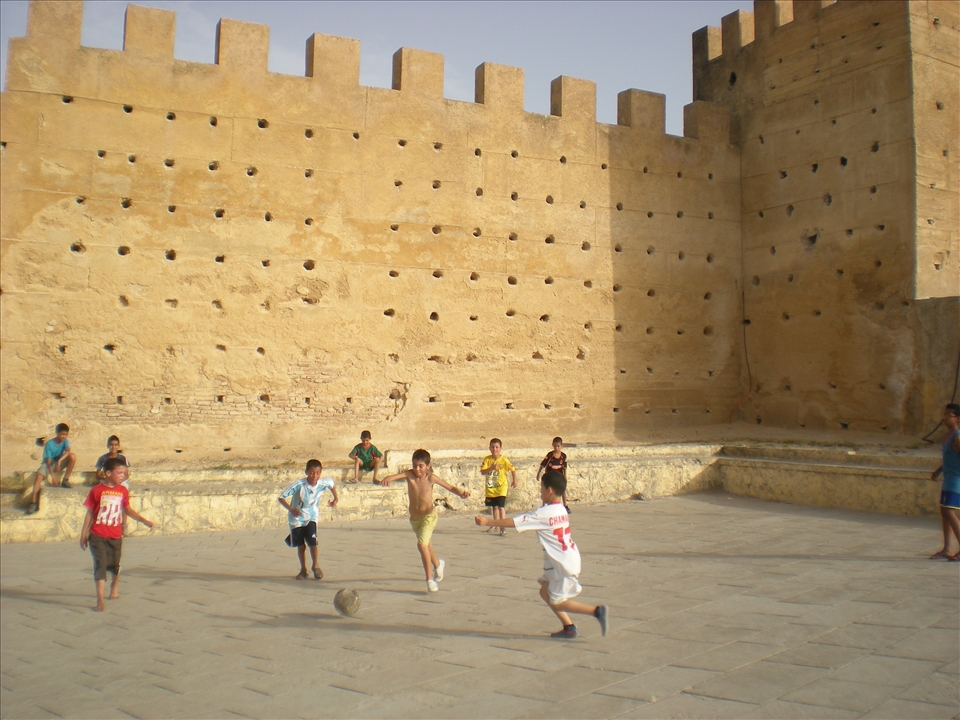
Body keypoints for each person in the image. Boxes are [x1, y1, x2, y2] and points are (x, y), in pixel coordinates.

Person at [476, 470, 608, 639]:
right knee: (545, 592)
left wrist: (488, 522)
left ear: (550, 490)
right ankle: (569, 627)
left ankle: (596, 612)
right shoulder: (561, 509)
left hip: (563, 564)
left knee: (557, 602)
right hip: (563, 559)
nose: (540, 492)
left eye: (542, 488)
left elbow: (515, 522)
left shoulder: (543, 514)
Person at [379, 449, 470, 593]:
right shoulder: (409, 475)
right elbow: (394, 476)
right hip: (415, 520)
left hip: (429, 517)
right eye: (414, 465)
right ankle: (438, 565)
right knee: (427, 546)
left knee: (422, 545)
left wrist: (461, 494)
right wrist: (387, 479)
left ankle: (429, 580)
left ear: (428, 466)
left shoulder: (431, 478)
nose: (417, 469)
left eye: (420, 466)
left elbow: (450, 487)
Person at [79, 457, 154, 612]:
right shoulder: (97, 491)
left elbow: (127, 510)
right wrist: (83, 534)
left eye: (124, 473)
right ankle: (100, 599)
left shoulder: (123, 491)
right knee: (100, 564)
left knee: (115, 564)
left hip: (115, 534)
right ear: (108, 473)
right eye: (119, 473)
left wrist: (144, 521)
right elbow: (90, 513)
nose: (122, 476)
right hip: (97, 533)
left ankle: (114, 586)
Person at [278, 459, 339, 580]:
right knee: (301, 545)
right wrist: (291, 509)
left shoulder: (322, 483)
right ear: (306, 472)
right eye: (311, 473)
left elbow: (332, 484)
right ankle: (303, 569)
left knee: (312, 540)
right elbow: (281, 497)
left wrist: (335, 499)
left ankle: (315, 565)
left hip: (312, 515)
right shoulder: (299, 485)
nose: (314, 476)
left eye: (317, 473)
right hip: (297, 518)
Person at [930, 403, 960, 561]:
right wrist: (938, 471)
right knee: (944, 512)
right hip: (948, 479)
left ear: (957, 419)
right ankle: (948, 548)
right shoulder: (947, 437)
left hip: (956, 480)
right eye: (944, 414)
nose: (945, 418)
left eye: (949, 415)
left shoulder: (957, 437)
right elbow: (949, 458)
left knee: (950, 511)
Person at [28, 422, 77, 514]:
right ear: (57, 433)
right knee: (38, 477)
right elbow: (48, 462)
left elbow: (67, 452)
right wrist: (53, 477)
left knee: (72, 456)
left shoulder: (65, 441)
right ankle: (33, 503)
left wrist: (59, 461)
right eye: (62, 434)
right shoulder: (49, 444)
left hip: (57, 463)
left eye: (66, 435)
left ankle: (65, 480)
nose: (64, 437)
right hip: (48, 464)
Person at [480, 438, 517, 536]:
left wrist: (514, 480)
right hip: (491, 488)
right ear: (489, 448)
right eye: (492, 447)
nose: (494, 449)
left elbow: (512, 469)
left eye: (496, 447)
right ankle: (495, 524)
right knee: (494, 507)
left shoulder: (504, 459)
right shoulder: (487, 459)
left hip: (501, 487)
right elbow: (482, 472)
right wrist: (491, 468)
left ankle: (503, 526)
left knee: (501, 507)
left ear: (500, 448)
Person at [537, 436, 570, 512]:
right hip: (550, 476)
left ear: (561, 446)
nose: (556, 448)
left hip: (559, 476)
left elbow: (564, 468)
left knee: (562, 490)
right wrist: (538, 474)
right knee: (547, 490)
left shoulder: (563, 456)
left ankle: (565, 505)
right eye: (555, 446)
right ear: (552, 445)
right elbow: (543, 465)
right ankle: (544, 505)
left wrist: (565, 477)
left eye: (558, 446)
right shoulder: (550, 455)